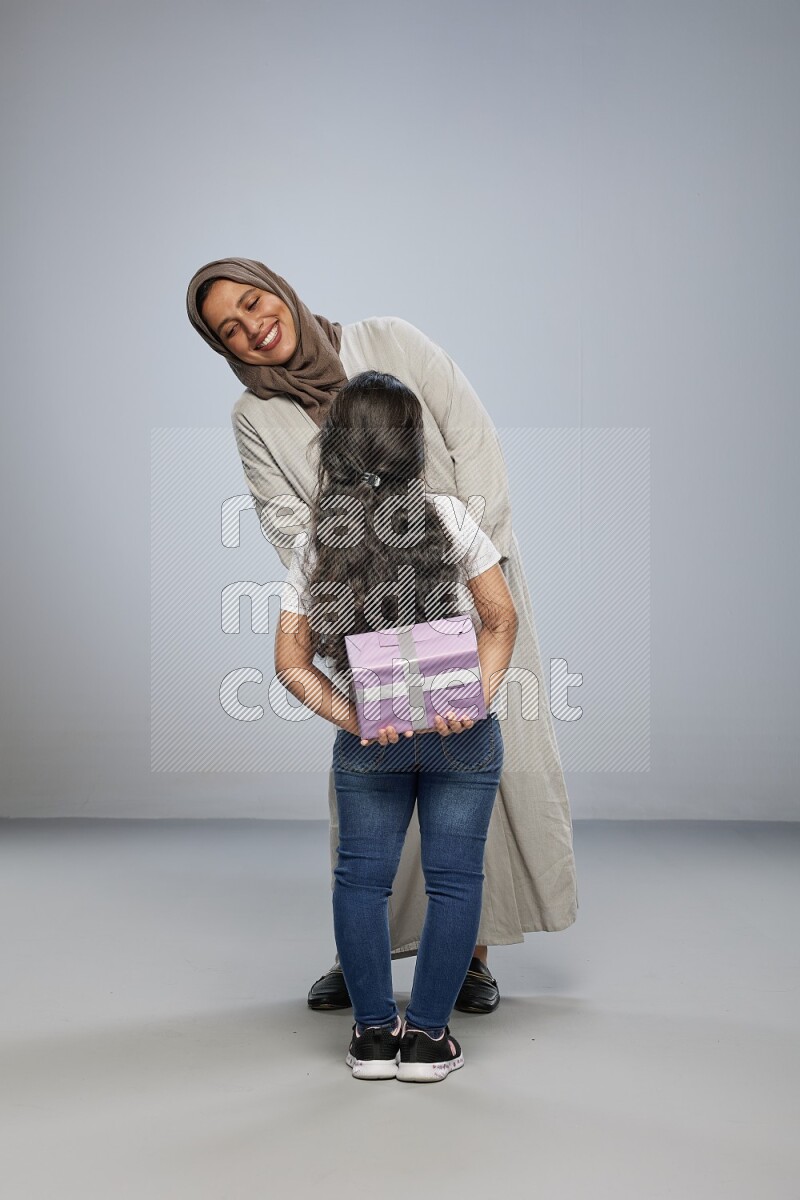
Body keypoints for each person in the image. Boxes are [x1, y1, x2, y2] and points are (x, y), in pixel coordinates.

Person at [185, 258, 579, 1015]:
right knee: (373, 768)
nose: (251, 326)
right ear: (221, 346)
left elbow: (476, 445)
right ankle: (363, 956)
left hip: (469, 585)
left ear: (280, 289)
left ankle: (471, 956)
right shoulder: (253, 416)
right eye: (227, 328)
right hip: (362, 606)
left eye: (253, 301)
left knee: (476, 767)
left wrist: (462, 558)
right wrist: (357, 574)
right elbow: (283, 517)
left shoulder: (390, 340)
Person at [275, 370, 516, 1080]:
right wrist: (472, 693)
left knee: (360, 881)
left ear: (336, 447)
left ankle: (374, 1037)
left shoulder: (317, 540)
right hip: (462, 737)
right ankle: (429, 1041)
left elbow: (291, 665)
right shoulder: (450, 516)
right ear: (411, 444)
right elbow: (501, 619)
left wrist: (356, 715)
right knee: (454, 879)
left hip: (369, 746)